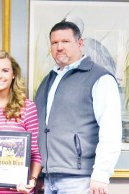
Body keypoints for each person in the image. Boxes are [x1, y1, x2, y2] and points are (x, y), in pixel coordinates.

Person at [35, 21, 122, 194]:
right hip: (49, 178)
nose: (59, 47)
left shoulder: (100, 78)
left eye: (65, 41)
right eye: (54, 43)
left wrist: (101, 174)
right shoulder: (47, 81)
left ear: (80, 43)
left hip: (81, 180)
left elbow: (110, 130)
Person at [0, 50, 42, 194]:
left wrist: (32, 181)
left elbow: (35, 152)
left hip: (19, 190)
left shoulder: (27, 107)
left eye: (5, 70)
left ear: (13, 74)